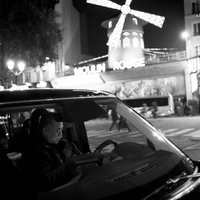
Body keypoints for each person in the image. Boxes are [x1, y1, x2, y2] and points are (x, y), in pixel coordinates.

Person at [23, 111, 81, 192]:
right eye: (58, 130)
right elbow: (45, 181)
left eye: (62, 130)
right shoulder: (36, 152)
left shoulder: (66, 145)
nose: (61, 134)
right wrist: (69, 164)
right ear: (46, 131)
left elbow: (82, 161)